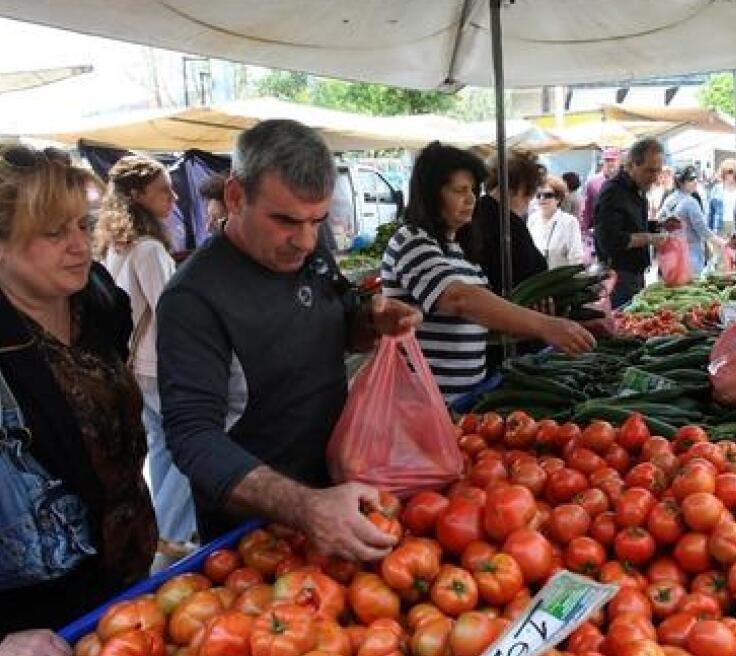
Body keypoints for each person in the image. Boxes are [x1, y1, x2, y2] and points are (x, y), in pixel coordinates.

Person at [0, 143, 157, 656]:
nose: (79, 245)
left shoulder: (95, 298)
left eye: (81, 223)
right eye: (53, 233)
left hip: (120, 591)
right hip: (22, 628)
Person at [157, 119, 422, 558]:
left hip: (340, 496)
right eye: (285, 220)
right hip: (252, 539)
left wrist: (370, 323)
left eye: (317, 220)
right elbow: (192, 439)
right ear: (236, 196)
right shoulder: (193, 298)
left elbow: (333, 330)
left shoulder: (309, 250)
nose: (303, 241)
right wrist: (305, 506)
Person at [381, 141, 595, 400]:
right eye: (460, 190)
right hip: (422, 402)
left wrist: (528, 323)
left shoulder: (459, 248)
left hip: (462, 401)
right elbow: (458, 299)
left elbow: (475, 326)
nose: (471, 198)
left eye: (473, 189)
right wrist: (544, 325)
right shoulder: (411, 240)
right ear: (431, 194)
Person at [94, 155, 198, 554]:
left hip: (136, 367)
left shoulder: (117, 245)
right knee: (178, 456)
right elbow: (173, 315)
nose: (173, 196)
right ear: (137, 196)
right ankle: (172, 537)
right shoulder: (149, 249)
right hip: (159, 366)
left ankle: (164, 534)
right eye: (163, 190)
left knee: (160, 449)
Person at [593, 138, 669, 307]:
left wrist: (660, 226)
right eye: (649, 171)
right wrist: (650, 238)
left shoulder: (637, 190)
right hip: (617, 278)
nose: (655, 177)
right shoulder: (612, 192)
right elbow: (610, 240)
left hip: (635, 274)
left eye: (658, 171)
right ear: (633, 164)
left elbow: (634, 225)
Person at [460, 148, 547, 295]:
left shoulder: (473, 214)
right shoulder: (509, 225)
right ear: (522, 187)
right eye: (530, 195)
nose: (529, 203)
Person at [657, 165, 723, 273]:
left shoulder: (670, 199)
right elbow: (701, 228)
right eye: (691, 179)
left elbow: (659, 220)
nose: (695, 181)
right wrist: (720, 242)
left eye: (695, 178)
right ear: (681, 182)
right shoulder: (690, 202)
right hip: (690, 252)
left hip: (672, 252)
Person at [527, 175, 585, 269]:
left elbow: (576, 258)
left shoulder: (570, 222)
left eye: (548, 195)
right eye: (538, 195)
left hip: (561, 280)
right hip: (537, 279)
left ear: (558, 198)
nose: (542, 198)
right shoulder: (532, 219)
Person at [579, 147, 621, 262]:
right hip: (600, 231)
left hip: (621, 232)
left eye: (613, 160)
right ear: (603, 161)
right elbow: (585, 209)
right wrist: (586, 231)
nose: (610, 163)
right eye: (607, 160)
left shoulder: (625, 181)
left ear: (619, 161)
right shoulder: (593, 182)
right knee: (603, 267)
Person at [707, 158, 736, 238]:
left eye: (732, 171)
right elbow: (710, 212)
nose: (730, 175)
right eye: (727, 172)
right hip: (720, 225)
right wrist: (709, 232)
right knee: (719, 249)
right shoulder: (716, 189)